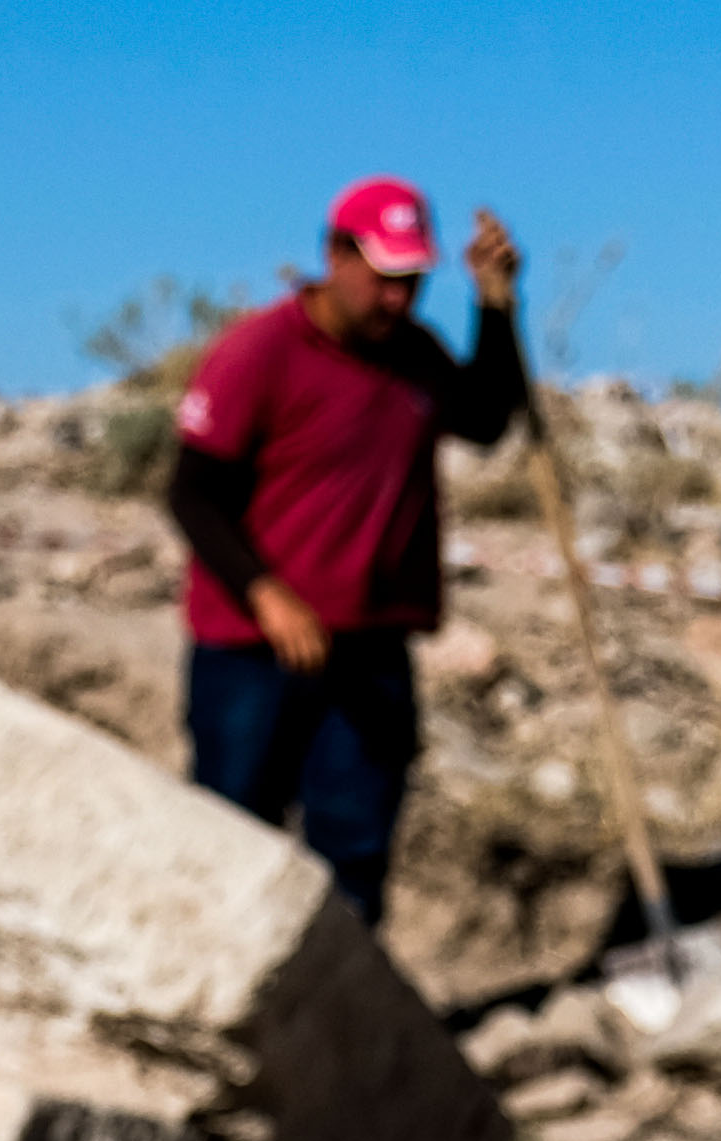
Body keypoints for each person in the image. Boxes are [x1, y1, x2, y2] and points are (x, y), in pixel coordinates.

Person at [164, 176, 524, 930]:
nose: (398, 300)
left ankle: (344, 1031)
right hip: (253, 654)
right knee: (234, 843)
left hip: (371, 652)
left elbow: (486, 418)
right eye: (384, 280)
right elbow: (193, 493)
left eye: (413, 282)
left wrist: (493, 305)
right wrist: (266, 593)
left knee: (355, 857)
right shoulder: (259, 352)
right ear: (336, 255)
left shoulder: (415, 355)